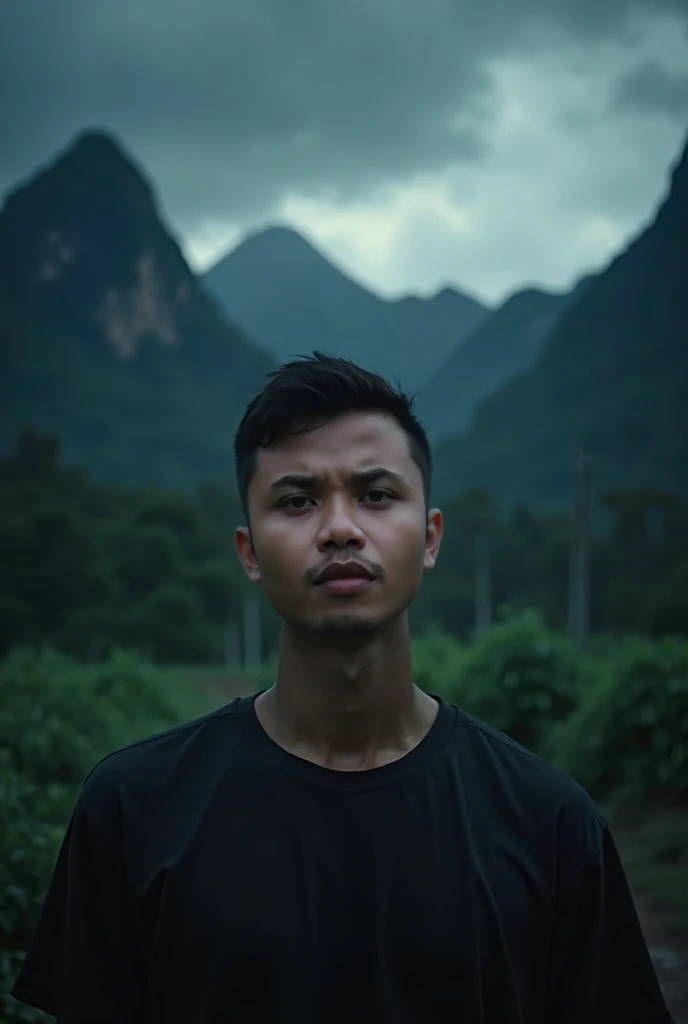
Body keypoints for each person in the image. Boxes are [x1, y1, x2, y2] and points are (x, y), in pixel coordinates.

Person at [11, 353, 673, 1024]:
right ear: (248, 552)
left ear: (431, 536)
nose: (340, 528)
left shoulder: (551, 825)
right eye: (297, 501)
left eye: (377, 495)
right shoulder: (130, 809)